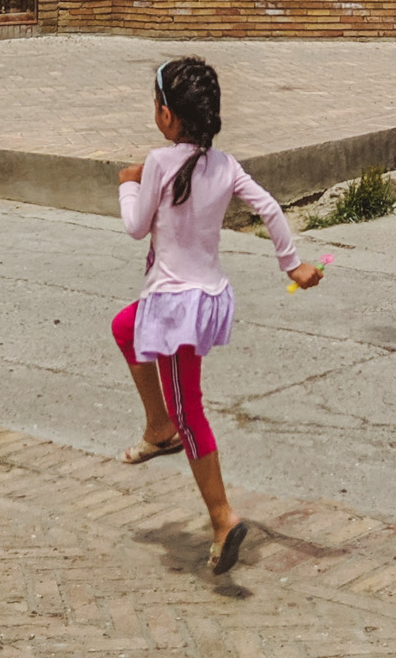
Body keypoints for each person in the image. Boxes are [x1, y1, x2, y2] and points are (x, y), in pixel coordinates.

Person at [114, 54, 323, 576]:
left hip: (176, 307)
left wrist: (127, 184)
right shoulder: (224, 164)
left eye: (156, 102)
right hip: (204, 299)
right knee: (123, 327)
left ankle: (222, 517)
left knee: (193, 412)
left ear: (167, 117)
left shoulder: (159, 164)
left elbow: (136, 228)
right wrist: (291, 265)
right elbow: (269, 208)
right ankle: (157, 427)